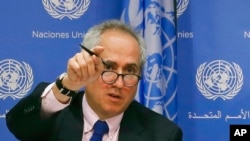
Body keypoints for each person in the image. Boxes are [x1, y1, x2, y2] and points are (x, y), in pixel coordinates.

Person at [6, 20, 182, 141]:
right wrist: (67, 86)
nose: (119, 84)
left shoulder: (162, 134)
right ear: (88, 63)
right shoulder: (55, 116)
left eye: (130, 70)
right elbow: (18, 124)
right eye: (109, 68)